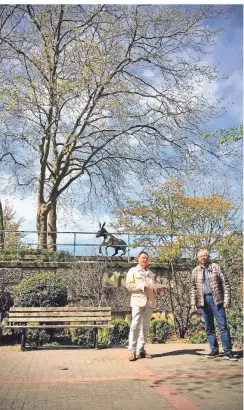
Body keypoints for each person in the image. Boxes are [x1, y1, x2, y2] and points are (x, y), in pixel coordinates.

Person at [191, 248, 237, 361]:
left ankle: (228, 351)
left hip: (216, 299)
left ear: (208, 256)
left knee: (223, 326)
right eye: (200, 256)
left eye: (204, 255)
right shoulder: (195, 271)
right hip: (203, 300)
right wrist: (193, 302)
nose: (202, 258)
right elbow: (193, 288)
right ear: (197, 258)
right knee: (209, 327)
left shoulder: (216, 267)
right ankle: (214, 350)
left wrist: (226, 300)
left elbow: (225, 284)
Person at [126, 251, 163, 361]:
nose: (145, 260)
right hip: (137, 302)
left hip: (150, 302)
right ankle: (132, 351)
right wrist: (142, 286)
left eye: (146, 258)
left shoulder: (151, 273)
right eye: (143, 258)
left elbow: (152, 289)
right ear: (138, 259)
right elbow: (129, 286)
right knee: (134, 325)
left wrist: (158, 290)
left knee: (145, 327)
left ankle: (140, 350)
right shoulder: (132, 271)